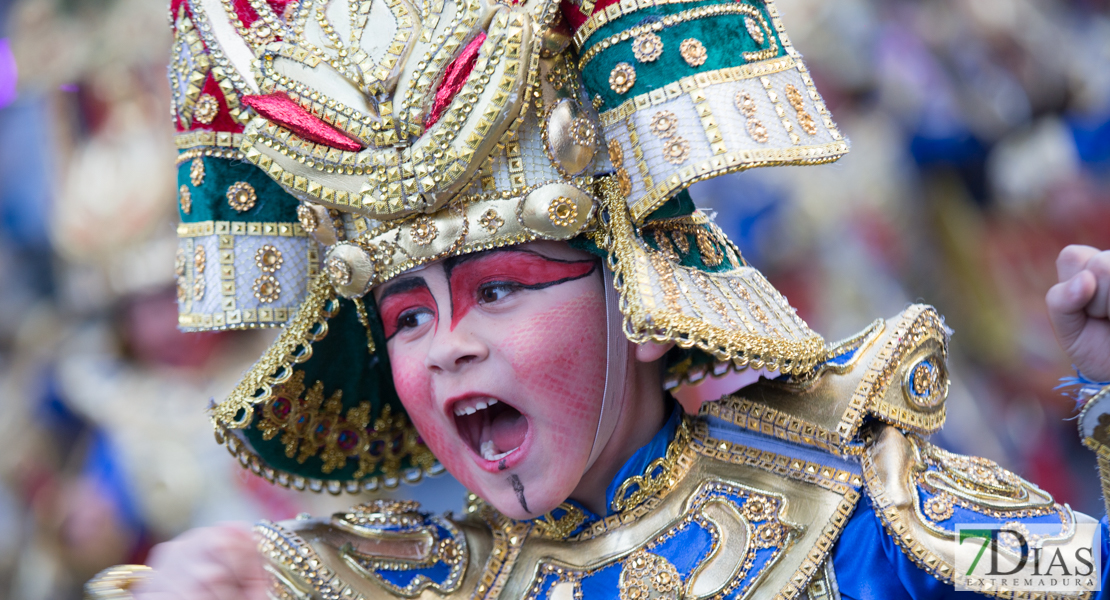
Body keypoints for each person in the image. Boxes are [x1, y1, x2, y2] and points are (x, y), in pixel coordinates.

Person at [86, 0, 1110, 598]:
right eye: (407, 317)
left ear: (639, 301)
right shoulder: (391, 580)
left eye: (499, 290)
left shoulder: (866, 513)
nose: (446, 349)